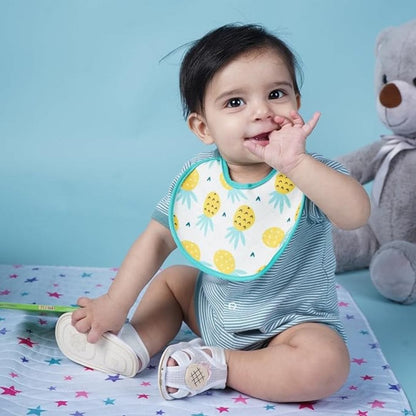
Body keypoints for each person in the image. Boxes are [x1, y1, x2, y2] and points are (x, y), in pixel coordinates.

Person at [55, 23, 370, 403]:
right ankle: (133, 345)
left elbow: (355, 214)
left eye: (276, 93)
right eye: (235, 102)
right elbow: (156, 238)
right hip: (209, 308)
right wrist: (115, 304)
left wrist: (297, 165)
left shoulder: (311, 174)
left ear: (297, 103)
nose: (262, 111)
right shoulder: (198, 180)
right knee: (173, 282)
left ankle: (216, 364)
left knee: (326, 365)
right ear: (203, 127)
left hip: (291, 326)